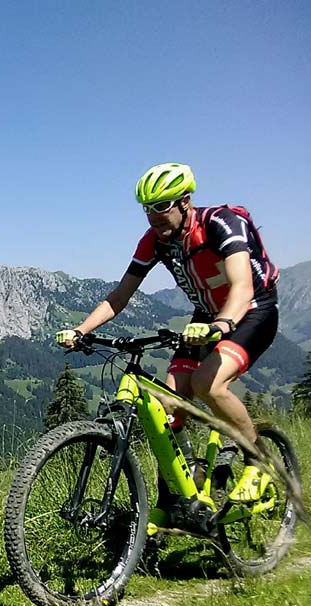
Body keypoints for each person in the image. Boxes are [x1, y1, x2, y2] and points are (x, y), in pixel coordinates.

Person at [56, 162, 280, 515]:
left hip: (252, 309)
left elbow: (242, 286)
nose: (153, 216)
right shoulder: (155, 241)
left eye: (161, 206)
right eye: (147, 208)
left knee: (207, 383)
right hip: (206, 316)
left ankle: (259, 462)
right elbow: (119, 296)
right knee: (167, 406)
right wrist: (82, 329)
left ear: (185, 201)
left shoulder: (221, 223)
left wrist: (222, 325)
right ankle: (179, 496)